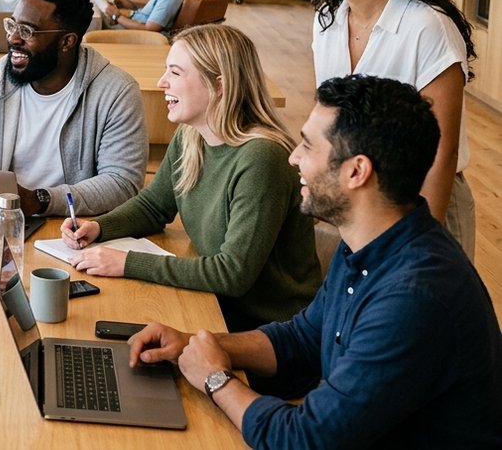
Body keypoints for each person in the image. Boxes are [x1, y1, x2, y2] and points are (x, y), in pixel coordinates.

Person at [127, 75, 501, 449]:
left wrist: (216, 378)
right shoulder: (368, 242)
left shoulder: (414, 298)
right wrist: (196, 346)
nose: (293, 157)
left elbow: (305, 440)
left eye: (307, 146)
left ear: (356, 171)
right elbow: (304, 340)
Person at [62, 24, 320, 332]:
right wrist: (100, 226)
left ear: (219, 85)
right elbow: (153, 207)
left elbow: (232, 274)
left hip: (268, 329)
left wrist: (126, 263)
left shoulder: (262, 159)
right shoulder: (192, 136)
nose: (161, 83)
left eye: (175, 73)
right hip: (214, 302)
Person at [301, 0, 476, 257]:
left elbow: (441, 151)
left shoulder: (426, 26)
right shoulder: (328, 21)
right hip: (357, 199)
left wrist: (419, 242)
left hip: (422, 203)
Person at [0, 0, 147, 216]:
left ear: (67, 42)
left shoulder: (116, 92)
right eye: (12, 25)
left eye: (27, 31)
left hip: (77, 227)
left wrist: (41, 200)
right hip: (1, 218)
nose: (13, 39)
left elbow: (122, 182)